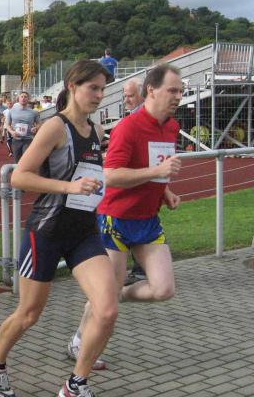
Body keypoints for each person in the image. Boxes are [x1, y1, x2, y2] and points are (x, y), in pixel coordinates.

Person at [0, 60, 117, 397]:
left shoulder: (96, 130)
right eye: (93, 88)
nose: (99, 95)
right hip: (46, 231)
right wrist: (69, 187)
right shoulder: (55, 127)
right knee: (29, 314)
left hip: (83, 232)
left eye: (103, 89)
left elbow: (91, 175)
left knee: (106, 309)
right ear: (73, 86)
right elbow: (19, 177)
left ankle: (76, 384)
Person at [69, 64, 183, 371]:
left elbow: (155, 168)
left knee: (163, 289)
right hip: (115, 218)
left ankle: (114, 294)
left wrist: (165, 190)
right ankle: (79, 342)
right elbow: (111, 175)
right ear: (151, 90)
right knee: (104, 298)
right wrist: (158, 172)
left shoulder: (171, 126)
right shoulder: (128, 128)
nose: (178, 96)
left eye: (181, 91)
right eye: (172, 90)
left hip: (147, 220)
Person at [120, 78, 147, 284]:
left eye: (130, 96)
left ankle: (140, 270)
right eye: (125, 96)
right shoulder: (135, 115)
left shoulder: (142, 116)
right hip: (135, 178)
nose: (126, 100)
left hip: (139, 179)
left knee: (138, 223)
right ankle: (141, 269)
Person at [4, 91, 41, 163]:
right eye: (22, 97)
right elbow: (7, 124)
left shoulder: (34, 112)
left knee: (26, 161)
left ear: (28, 99)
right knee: (17, 162)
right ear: (18, 99)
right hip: (16, 140)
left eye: (25, 97)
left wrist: (36, 128)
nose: (23, 98)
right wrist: (12, 132)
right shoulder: (11, 111)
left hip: (28, 139)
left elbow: (39, 123)